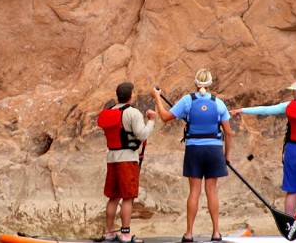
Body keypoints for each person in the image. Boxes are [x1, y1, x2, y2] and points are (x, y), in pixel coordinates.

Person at [229, 79, 296, 237]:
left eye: (294, 90)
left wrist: (242, 110)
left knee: (292, 189)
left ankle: (289, 227)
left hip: (291, 151)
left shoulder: (289, 106)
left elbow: (266, 110)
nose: (292, 92)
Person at [151, 69, 233, 242]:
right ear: (210, 84)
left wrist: (157, 97)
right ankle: (216, 232)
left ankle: (189, 234)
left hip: (194, 150)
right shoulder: (219, 103)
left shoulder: (187, 101)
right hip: (214, 150)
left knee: (194, 191)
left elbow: (165, 117)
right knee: (212, 191)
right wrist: (226, 156)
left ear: (196, 83)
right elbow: (228, 133)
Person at [97, 82, 157, 243]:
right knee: (128, 197)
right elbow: (142, 134)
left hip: (111, 158)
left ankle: (109, 233)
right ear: (131, 95)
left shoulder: (109, 111)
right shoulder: (132, 113)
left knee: (113, 197)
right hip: (127, 159)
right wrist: (151, 120)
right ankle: (125, 235)